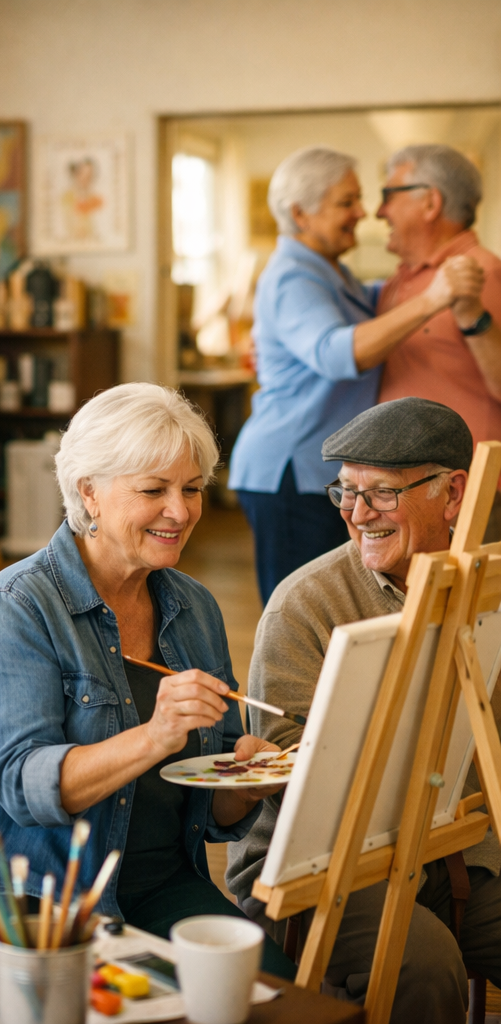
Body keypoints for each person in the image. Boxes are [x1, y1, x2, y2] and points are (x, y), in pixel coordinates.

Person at [0, 383, 297, 978]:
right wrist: (155, 735)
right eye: (153, 490)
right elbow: (23, 785)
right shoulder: (18, 605)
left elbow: (212, 809)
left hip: (150, 882)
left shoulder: (195, 608)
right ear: (88, 492)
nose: (181, 510)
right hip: (18, 887)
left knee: (268, 984)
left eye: (192, 489)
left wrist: (248, 781)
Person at [226, 397, 501, 1023]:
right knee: (427, 966)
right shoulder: (304, 604)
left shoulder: (485, 585)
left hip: (450, 847)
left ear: (453, 494)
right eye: (346, 492)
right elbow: (282, 778)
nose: (356, 514)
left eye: (380, 493)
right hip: (314, 867)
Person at [228, 146, 484, 605]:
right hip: (291, 467)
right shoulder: (292, 276)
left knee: (338, 603)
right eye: (346, 202)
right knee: (301, 607)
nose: (362, 213)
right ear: (300, 213)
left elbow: (378, 304)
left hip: (322, 471)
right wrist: (434, 297)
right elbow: (334, 353)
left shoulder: (331, 272)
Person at [376, 144, 501, 537]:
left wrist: (472, 316)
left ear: (430, 202)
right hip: (412, 492)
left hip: (466, 494)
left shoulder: (482, 273)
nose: (380, 211)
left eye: (388, 195)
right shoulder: (401, 280)